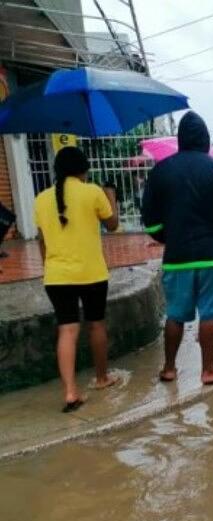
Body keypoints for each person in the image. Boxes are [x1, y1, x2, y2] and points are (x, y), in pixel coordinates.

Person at [141, 111, 213, 385]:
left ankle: (168, 368)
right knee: (211, 312)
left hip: (177, 258)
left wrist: (170, 238)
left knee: (175, 314)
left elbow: (151, 222)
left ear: (180, 140)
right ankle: (209, 370)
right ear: (205, 141)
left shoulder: (160, 172)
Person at [34, 147, 119, 412]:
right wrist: (111, 197)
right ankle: (102, 378)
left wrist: (49, 266)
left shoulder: (41, 199)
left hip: (56, 276)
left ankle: (70, 392)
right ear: (83, 170)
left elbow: (41, 240)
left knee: (67, 330)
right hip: (91, 272)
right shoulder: (92, 191)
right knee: (96, 325)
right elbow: (113, 224)